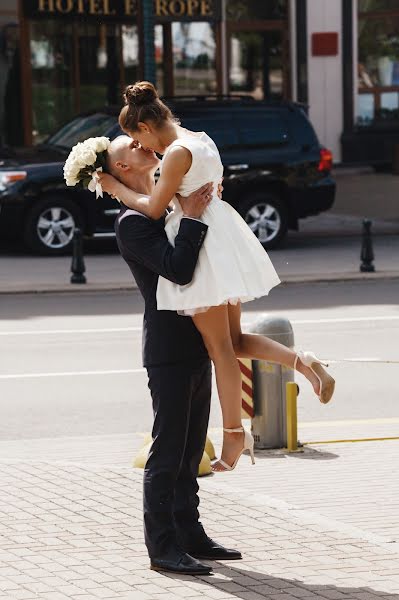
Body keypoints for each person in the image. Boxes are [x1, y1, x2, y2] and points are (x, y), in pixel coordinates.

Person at [100, 81, 336, 472]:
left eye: (136, 140)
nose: (142, 150)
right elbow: (190, 188)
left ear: (145, 127)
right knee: (236, 339)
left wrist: (113, 187)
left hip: (202, 246)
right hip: (222, 235)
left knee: (220, 350)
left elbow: (155, 209)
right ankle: (303, 361)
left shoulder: (175, 152)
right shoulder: (200, 138)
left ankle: (233, 433)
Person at [109, 135, 242, 574]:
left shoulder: (162, 201)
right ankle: (162, 547)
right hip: (167, 347)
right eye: (129, 145)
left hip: (198, 342)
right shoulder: (132, 222)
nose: (141, 144)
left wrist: (207, 211)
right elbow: (179, 270)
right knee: (167, 450)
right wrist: (192, 219)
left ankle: (191, 533)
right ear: (122, 169)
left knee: (189, 450)